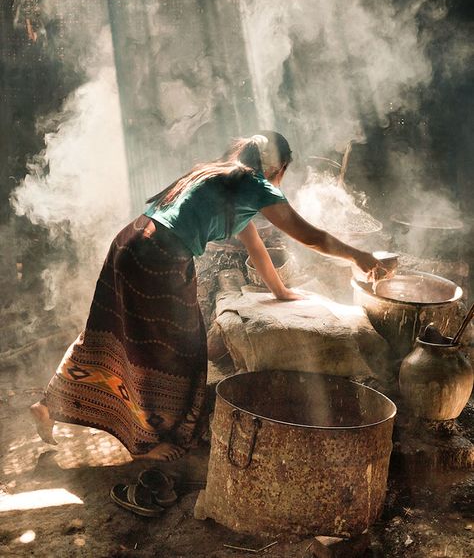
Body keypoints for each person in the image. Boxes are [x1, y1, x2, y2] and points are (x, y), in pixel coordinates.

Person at [30, 131, 389, 516]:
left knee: (109, 337)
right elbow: (312, 237)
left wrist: (281, 291)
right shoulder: (256, 186)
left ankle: (49, 404)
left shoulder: (221, 176)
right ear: (278, 168)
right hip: (159, 259)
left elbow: (255, 245)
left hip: (129, 242)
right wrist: (361, 258)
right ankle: (148, 440)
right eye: (283, 172)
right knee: (176, 354)